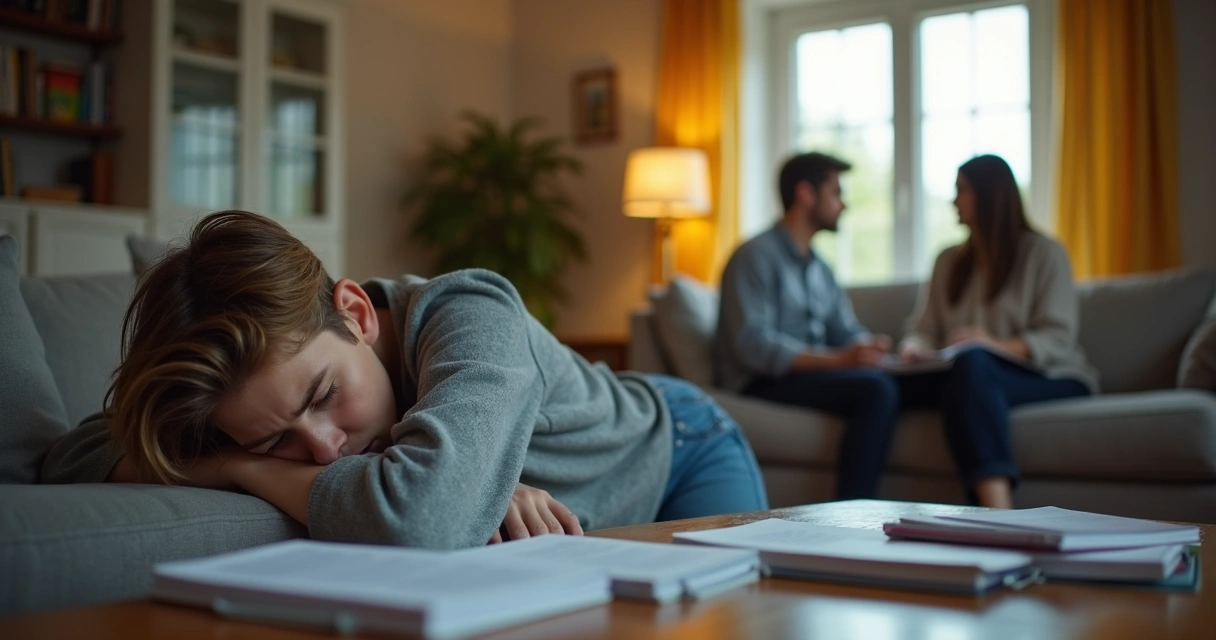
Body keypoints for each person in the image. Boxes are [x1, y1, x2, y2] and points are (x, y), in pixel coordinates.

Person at [41, 210, 768, 547]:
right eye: (273, 442)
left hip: (676, 449)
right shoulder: (267, 422)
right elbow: (65, 457)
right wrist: (241, 461)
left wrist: (240, 465)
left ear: (355, 311)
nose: (323, 450)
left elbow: (424, 515)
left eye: (322, 396)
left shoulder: (471, 311)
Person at [896, 154, 1098, 508]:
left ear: (989, 195)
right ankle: (857, 508)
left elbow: (1057, 338)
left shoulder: (1044, 254)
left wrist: (990, 343)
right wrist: (915, 347)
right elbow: (923, 328)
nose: (953, 201)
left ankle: (998, 513)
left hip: (1049, 375)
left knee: (974, 364)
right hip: (966, 373)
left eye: (962, 191)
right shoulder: (948, 261)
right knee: (886, 383)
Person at [713, 152, 898, 500]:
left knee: (895, 381)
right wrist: (841, 361)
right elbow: (753, 345)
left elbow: (845, 332)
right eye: (836, 192)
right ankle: (853, 511)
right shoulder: (754, 256)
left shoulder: (820, 268)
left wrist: (872, 349)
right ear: (805, 194)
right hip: (763, 381)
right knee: (875, 390)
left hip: (810, 375)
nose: (844, 205)